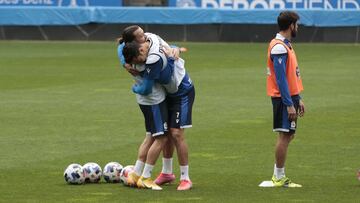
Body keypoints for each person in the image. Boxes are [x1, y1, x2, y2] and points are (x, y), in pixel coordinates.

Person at [124, 37, 195, 191]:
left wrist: (174, 50)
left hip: (181, 92)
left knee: (176, 133)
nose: (139, 63)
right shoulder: (145, 45)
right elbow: (120, 47)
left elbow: (151, 85)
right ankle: (167, 173)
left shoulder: (155, 60)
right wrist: (125, 64)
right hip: (166, 93)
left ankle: (185, 178)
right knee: (165, 132)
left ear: (142, 50)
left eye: (139, 59)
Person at [117, 26, 168, 190]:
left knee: (149, 137)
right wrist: (135, 88)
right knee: (161, 138)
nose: (145, 47)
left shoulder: (128, 58)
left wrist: (124, 64)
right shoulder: (145, 64)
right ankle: (146, 177)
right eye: (142, 50)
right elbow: (146, 88)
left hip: (144, 103)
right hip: (154, 103)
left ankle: (135, 174)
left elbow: (120, 48)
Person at [266, 11, 305, 188]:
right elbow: (281, 79)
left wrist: (299, 98)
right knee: (284, 136)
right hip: (284, 99)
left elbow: (291, 76)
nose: (298, 27)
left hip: (291, 97)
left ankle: (278, 174)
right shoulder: (279, 47)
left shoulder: (285, 45)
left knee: (289, 135)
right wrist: (289, 104)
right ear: (291, 25)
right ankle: (278, 177)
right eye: (296, 24)